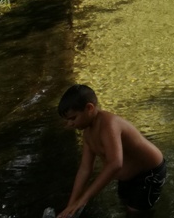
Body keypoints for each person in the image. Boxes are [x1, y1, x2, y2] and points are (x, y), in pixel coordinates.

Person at [57, 85, 167, 217]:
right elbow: (85, 169)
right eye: (67, 120)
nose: (70, 124)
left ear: (89, 108)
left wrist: (83, 199)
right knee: (124, 203)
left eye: (73, 118)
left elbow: (115, 163)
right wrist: (71, 205)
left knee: (136, 214)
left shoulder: (109, 124)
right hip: (127, 177)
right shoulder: (87, 134)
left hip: (149, 173)